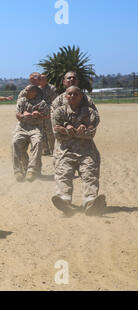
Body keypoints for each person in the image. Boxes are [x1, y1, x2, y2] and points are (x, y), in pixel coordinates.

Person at [51, 86, 106, 216]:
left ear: (81, 96)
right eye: (69, 94)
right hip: (66, 151)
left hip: (86, 150)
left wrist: (77, 130)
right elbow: (57, 133)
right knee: (63, 174)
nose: (72, 96)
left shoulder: (90, 112)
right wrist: (70, 129)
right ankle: (64, 201)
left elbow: (91, 133)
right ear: (65, 96)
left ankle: (90, 203)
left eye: (76, 94)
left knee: (90, 175)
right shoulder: (59, 112)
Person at [12, 85, 48, 182]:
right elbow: (17, 115)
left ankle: (31, 170)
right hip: (22, 128)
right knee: (15, 142)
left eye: (28, 90)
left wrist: (39, 114)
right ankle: (18, 170)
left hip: (35, 128)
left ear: (34, 92)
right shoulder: (22, 100)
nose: (25, 92)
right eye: (25, 90)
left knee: (38, 143)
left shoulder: (42, 103)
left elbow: (46, 116)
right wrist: (24, 114)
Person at [39, 74, 58, 155]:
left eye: (43, 79)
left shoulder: (52, 88)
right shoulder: (37, 89)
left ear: (46, 80)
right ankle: (45, 150)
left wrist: (49, 111)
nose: (41, 80)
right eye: (40, 79)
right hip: (40, 114)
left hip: (49, 113)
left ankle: (53, 150)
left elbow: (55, 101)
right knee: (41, 132)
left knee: (50, 132)